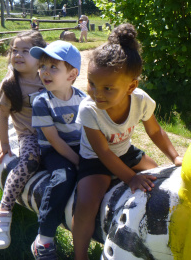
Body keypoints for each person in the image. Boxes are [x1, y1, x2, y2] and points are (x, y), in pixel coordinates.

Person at [72, 24, 183, 260]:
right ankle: (79, 256)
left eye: (107, 88)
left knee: (159, 179)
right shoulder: (89, 109)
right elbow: (102, 152)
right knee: (86, 206)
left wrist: (175, 156)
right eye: (92, 83)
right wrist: (131, 177)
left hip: (126, 152)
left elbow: (155, 132)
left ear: (131, 86)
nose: (96, 93)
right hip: (95, 161)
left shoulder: (141, 101)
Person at [29, 41, 87, 259]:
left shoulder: (83, 99)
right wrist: (77, 161)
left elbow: (88, 131)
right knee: (63, 177)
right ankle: (44, 238)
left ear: (72, 75)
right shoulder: (42, 102)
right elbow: (53, 139)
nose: (45, 71)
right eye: (42, 66)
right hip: (54, 151)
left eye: (54, 67)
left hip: (79, 147)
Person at [0, 30, 47, 249]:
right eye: (15, 50)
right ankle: (4, 209)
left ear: (41, 57)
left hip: (54, 131)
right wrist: (5, 145)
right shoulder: (10, 85)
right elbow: (3, 117)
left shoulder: (47, 76)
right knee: (29, 162)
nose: (18, 55)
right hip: (30, 134)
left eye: (25, 51)